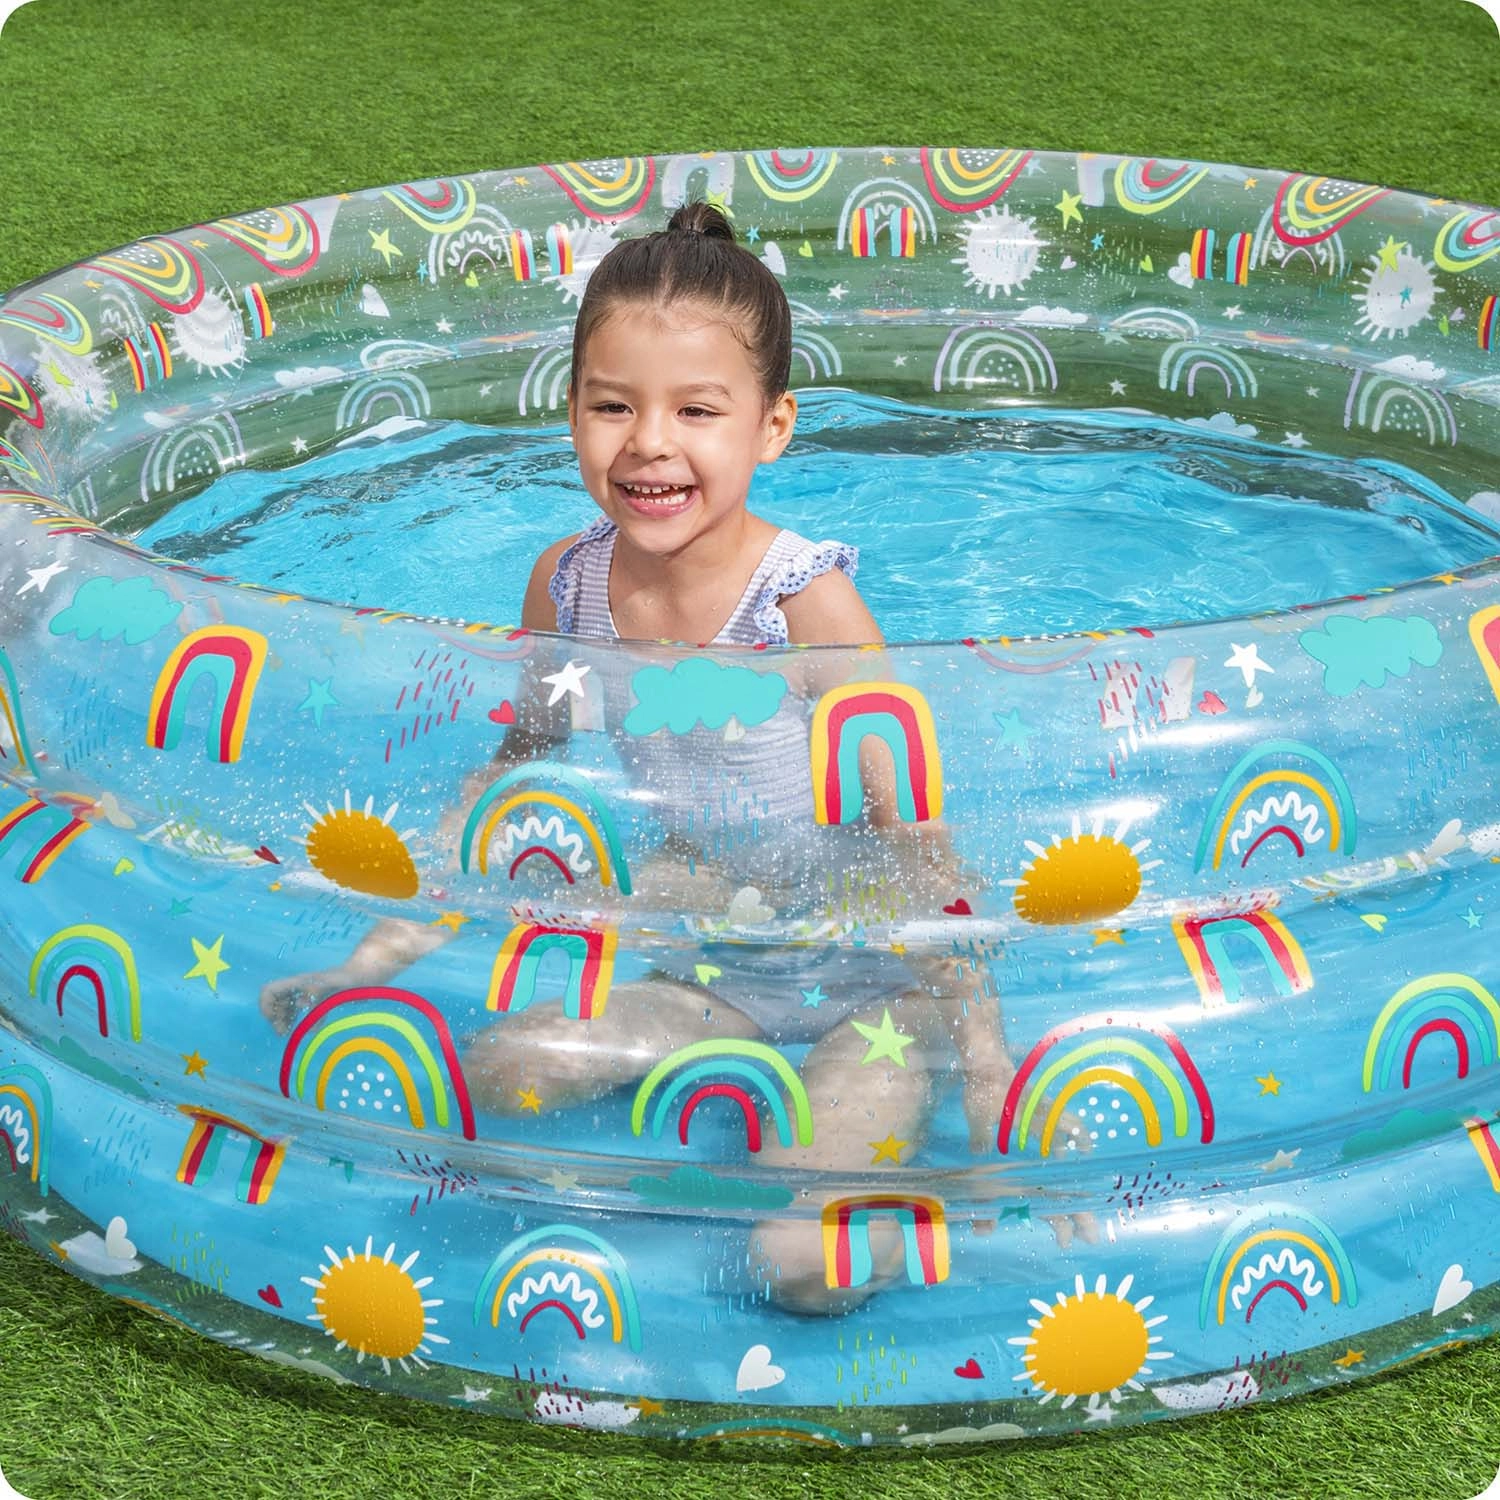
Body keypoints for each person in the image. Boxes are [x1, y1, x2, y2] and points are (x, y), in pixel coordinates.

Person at [262, 202, 1092, 1311]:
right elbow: (509, 784)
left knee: (802, 1270)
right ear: (571, 411)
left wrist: (988, 1067)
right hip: (713, 962)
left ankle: (902, 1176)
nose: (649, 442)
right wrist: (369, 966)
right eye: (613, 405)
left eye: (697, 410)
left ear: (772, 426)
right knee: (497, 1076)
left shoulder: (808, 609)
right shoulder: (568, 585)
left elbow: (919, 845)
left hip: (872, 980)